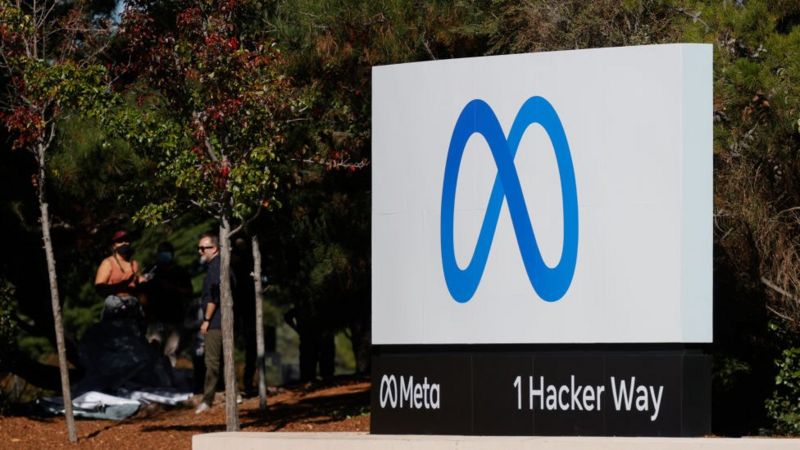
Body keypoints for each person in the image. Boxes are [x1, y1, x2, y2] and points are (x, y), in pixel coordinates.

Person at [194, 233, 235, 413]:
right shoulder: (221, 266)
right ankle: (234, 393)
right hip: (223, 320)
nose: (200, 251)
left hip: (216, 322)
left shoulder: (215, 268)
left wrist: (207, 320)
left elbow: (214, 297)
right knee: (226, 359)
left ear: (215, 248)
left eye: (204, 248)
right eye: (199, 248)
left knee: (212, 362)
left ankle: (207, 400)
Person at [143, 242, 193, 367]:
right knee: (152, 348)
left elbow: (188, 292)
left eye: (167, 252)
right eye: (162, 252)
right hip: (155, 319)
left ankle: (169, 375)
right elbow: (142, 293)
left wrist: (172, 288)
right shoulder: (151, 271)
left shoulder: (179, 272)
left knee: (171, 352)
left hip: (175, 319)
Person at [94, 230, 148, 322]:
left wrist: (142, 282)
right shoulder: (108, 263)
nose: (124, 243)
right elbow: (99, 288)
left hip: (132, 304)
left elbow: (139, 287)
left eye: (126, 240)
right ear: (114, 245)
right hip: (114, 303)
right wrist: (122, 285)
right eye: (120, 241)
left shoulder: (134, 264)